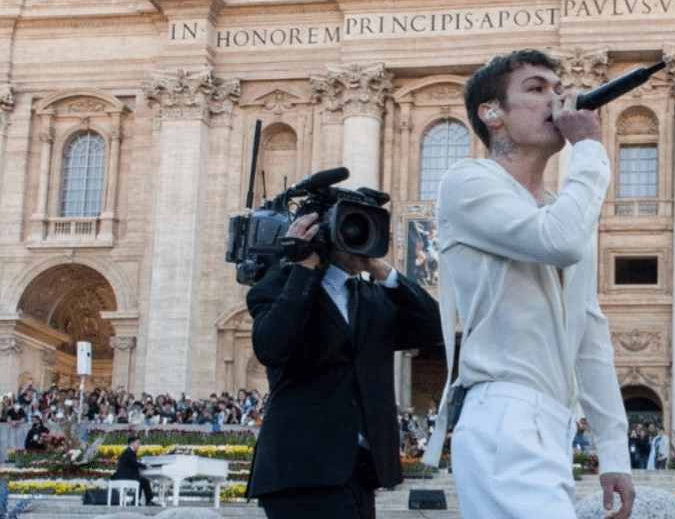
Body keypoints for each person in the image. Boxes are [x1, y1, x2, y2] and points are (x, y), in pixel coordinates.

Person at [432, 49, 635, 519]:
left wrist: (614, 451)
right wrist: (588, 148)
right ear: (492, 113)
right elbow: (560, 242)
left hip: (549, 424)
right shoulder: (468, 181)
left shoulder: (563, 205)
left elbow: (589, 336)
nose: (557, 99)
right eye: (537, 89)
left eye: (558, 89)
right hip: (505, 413)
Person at [245, 209, 443, 519]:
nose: (360, 237)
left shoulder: (373, 297)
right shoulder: (282, 284)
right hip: (301, 472)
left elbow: (433, 328)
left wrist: (382, 270)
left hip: (360, 471)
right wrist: (304, 267)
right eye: (351, 227)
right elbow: (271, 347)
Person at [111, 436, 157, 506]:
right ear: (132, 443)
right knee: (144, 481)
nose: (138, 445)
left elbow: (132, 463)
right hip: (125, 476)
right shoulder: (129, 452)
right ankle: (148, 501)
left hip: (125, 475)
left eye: (139, 443)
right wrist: (145, 466)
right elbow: (134, 463)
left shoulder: (128, 451)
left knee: (142, 481)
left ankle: (136, 501)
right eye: (137, 443)